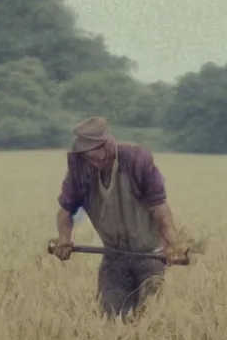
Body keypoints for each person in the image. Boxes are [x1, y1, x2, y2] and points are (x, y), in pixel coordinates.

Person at [51, 117, 189, 320]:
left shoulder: (137, 161)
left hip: (149, 256)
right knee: (110, 319)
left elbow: (160, 210)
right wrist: (64, 239)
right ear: (83, 155)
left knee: (152, 319)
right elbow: (65, 212)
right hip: (114, 256)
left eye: (103, 156)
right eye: (93, 159)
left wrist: (173, 245)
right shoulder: (80, 170)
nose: (99, 162)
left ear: (110, 142)